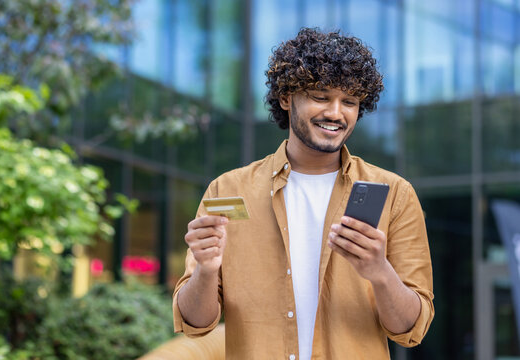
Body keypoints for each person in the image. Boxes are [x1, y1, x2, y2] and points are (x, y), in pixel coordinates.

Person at [173, 27, 434, 360]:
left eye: (349, 102)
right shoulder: (228, 189)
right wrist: (206, 270)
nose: (335, 113)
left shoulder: (395, 194)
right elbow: (195, 323)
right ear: (286, 98)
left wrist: (379, 272)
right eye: (321, 97)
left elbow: (412, 328)